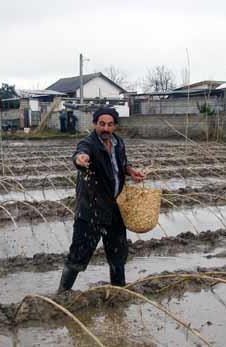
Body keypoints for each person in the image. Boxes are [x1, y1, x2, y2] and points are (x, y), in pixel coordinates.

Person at [57, 106, 146, 293]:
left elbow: (121, 164)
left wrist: (130, 171)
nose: (105, 128)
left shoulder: (118, 143)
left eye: (110, 124)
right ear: (95, 124)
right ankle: (62, 294)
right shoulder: (89, 143)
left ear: (115, 126)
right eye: (102, 124)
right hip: (91, 211)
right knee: (78, 256)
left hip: (115, 210)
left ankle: (118, 293)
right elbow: (81, 153)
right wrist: (80, 159)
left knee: (118, 257)